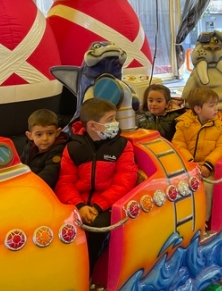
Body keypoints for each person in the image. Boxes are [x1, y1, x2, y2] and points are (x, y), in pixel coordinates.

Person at [56, 98, 137, 270]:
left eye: (115, 118)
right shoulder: (73, 148)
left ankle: (87, 273)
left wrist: (99, 206)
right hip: (78, 204)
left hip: (108, 204)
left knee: (96, 227)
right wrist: (79, 206)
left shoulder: (122, 146)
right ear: (92, 126)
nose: (115, 123)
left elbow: (125, 181)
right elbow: (65, 183)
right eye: (110, 120)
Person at [173, 87, 222, 222]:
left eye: (216, 104)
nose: (216, 108)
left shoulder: (221, 128)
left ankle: (202, 221)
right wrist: (190, 162)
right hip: (188, 166)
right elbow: (178, 143)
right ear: (198, 109)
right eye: (211, 105)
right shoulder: (183, 124)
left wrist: (208, 165)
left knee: (207, 188)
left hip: (208, 169)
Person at [21, 109, 69, 190]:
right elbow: (21, 164)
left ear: (57, 132)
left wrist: (28, 184)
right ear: (30, 135)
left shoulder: (58, 149)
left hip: (46, 189)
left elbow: (50, 173)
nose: (45, 138)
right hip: (30, 185)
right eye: (39, 135)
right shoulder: (30, 146)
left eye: (50, 133)